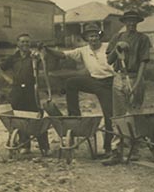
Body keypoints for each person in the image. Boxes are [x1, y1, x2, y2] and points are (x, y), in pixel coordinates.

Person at [41, 23, 115, 156]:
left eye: (95, 36)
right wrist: (47, 49)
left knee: (110, 114)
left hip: (110, 82)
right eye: (90, 36)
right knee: (71, 82)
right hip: (94, 81)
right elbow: (62, 55)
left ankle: (108, 147)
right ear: (86, 38)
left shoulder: (108, 46)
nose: (93, 39)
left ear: (99, 36)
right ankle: (74, 116)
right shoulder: (83, 50)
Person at [102, 10, 151, 165]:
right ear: (124, 22)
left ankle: (133, 148)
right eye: (128, 21)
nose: (131, 24)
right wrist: (117, 49)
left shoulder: (143, 39)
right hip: (119, 77)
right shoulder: (117, 38)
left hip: (135, 75)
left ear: (137, 22)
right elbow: (109, 60)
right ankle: (116, 150)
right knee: (119, 115)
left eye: (134, 21)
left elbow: (143, 62)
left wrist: (136, 84)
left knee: (134, 112)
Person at [0, 33, 51, 156]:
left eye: (27, 42)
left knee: (38, 118)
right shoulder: (13, 58)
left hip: (32, 90)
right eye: (22, 42)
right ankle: (25, 145)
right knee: (20, 118)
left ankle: (45, 147)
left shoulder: (34, 57)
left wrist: (40, 56)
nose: (25, 44)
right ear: (18, 43)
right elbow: (0, 68)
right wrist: (8, 79)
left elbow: (45, 62)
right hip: (17, 91)